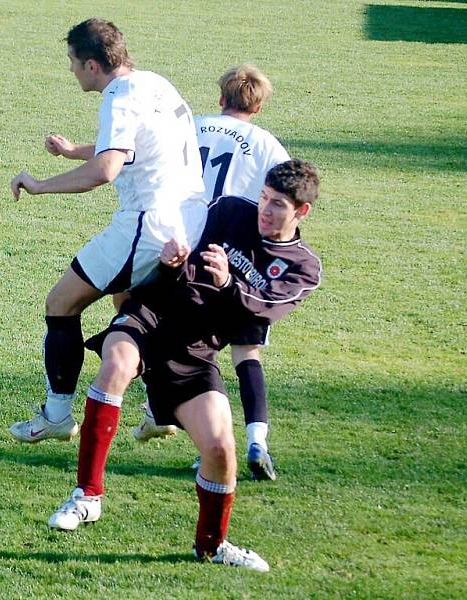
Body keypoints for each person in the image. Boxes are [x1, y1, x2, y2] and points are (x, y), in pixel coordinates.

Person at [47, 160, 321, 572]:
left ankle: (212, 547)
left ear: (302, 212)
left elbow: (264, 310)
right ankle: (87, 496)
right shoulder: (230, 210)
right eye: (264, 198)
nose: (265, 210)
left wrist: (230, 284)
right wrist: (173, 258)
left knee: (220, 448)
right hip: (151, 316)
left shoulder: (303, 267)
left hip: (196, 354)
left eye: (278, 205)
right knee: (116, 365)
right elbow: (182, 238)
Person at [8, 18, 207, 443]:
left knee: (61, 302)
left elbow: (107, 168)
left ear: (93, 65)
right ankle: (160, 406)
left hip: (147, 224)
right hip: (187, 220)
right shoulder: (156, 84)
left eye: (73, 62)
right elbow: (139, 144)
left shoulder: (117, 97)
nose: (72, 70)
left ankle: (58, 413)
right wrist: (72, 150)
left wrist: (41, 185)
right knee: (130, 306)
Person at [133, 64, 290, 482]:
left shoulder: (194, 126)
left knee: (170, 340)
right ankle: (257, 440)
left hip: (181, 247)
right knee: (245, 353)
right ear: (258, 106)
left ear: (221, 97)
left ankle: (162, 413)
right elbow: (282, 206)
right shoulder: (270, 146)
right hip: (236, 257)